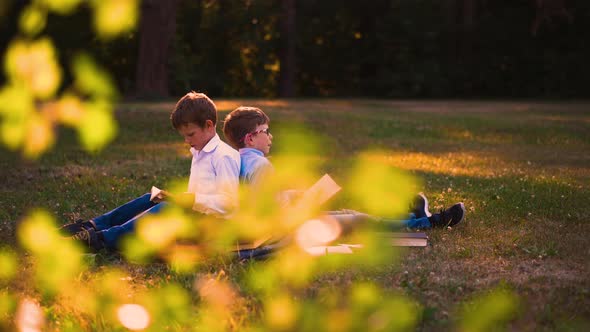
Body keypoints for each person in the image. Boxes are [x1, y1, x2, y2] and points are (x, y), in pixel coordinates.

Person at [222, 106, 465, 231]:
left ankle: (412, 216)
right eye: (266, 132)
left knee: (351, 214)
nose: (271, 137)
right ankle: (429, 223)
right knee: (360, 221)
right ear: (250, 138)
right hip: (290, 229)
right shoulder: (260, 165)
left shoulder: (240, 161)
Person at [60, 92, 241, 251]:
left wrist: (192, 200)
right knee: (151, 198)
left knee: (166, 208)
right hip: (197, 214)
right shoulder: (201, 151)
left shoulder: (223, 156)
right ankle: (92, 226)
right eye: (184, 136)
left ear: (209, 125)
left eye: (190, 134)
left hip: (214, 227)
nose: (186, 141)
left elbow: (229, 203)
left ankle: (101, 239)